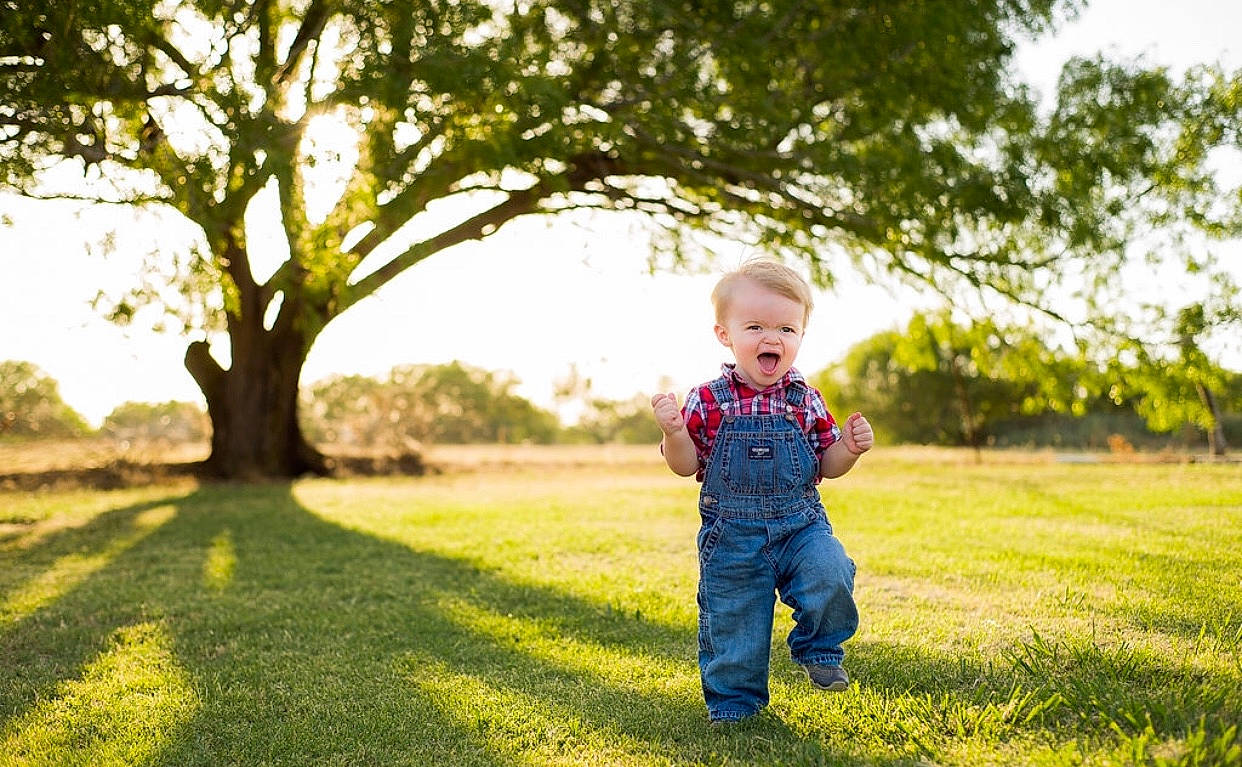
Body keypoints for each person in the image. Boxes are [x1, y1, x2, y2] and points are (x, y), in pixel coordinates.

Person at [650, 258, 873, 724]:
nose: (773, 339)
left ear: (800, 337)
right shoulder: (707, 399)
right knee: (733, 621)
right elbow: (685, 465)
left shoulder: (806, 398)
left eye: (787, 330)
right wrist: (674, 434)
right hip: (731, 535)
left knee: (830, 569)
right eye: (755, 326)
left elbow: (826, 466)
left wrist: (848, 449)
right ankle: (735, 703)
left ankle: (820, 649)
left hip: (800, 524)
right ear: (724, 334)